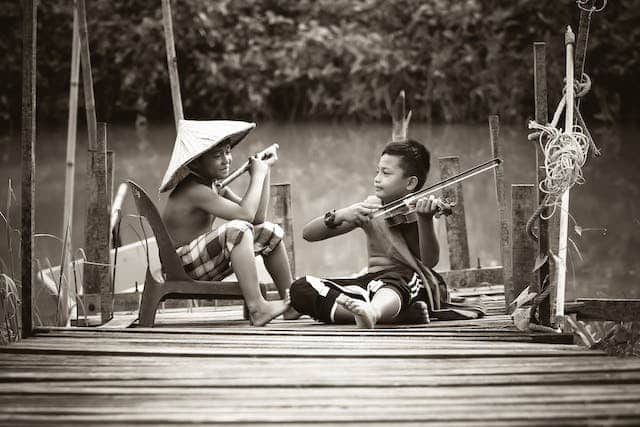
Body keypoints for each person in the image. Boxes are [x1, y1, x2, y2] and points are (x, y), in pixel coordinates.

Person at [290, 139, 484, 328]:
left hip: (408, 283)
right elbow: (309, 234)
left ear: (410, 183)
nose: (377, 178)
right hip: (370, 284)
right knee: (301, 288)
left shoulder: (422, 211)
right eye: (377, 171)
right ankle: (388, 316)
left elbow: (430, 260)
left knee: (395, 282)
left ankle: (374, 313)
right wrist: (341, 214)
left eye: (386, 173)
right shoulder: (370, 208)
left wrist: (425, 220)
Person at [159, 120, 299, 326]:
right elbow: (245, 215)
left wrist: (264, 172)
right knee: (238, 230)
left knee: (270, 232)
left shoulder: (214, 186)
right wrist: (258, 175)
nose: (226, 160)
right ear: (195, 163)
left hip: (201, 262)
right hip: (180, 266)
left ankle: (294, 303)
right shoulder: (193, 190)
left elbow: (257, 218)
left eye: (227, 152)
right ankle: (258, 307)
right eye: (217, 156)